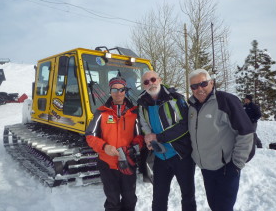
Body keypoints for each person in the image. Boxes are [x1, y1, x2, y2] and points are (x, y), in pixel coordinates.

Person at [188, 69, 254, 211]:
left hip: (226, 168)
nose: (199, 89)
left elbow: (246, 132)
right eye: (194, 86)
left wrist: (236, 164)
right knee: (214, 206)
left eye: (203, 83)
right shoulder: (192, 106)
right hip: (206, 168)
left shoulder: (225, 100)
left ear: (211, 83)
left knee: (223, 208)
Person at [137, 70, 196, 211]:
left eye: (153, 79)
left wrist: (158, 137)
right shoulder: (142, 103)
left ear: (160, 79)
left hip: (181, 155)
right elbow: (144, 124)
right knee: (159, 196)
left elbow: (185, 125)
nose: (151, 83)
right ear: (143, 86)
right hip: (160, 157)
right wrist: (148, 137)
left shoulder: (175, 98)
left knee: (188, 195)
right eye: (146, 82)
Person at [85, 76, 144, 211]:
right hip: (107, 164)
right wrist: (105, 147)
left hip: (128, 162)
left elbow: (140, 136)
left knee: (130, 199)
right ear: (110, 91)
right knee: (113, 201)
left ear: (125, 91)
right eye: (114, 89)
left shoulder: (134, 112)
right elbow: (90, 136)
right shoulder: (101, 112)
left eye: (121, 89)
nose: (118, 92)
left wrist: (131, 149)